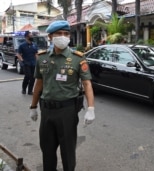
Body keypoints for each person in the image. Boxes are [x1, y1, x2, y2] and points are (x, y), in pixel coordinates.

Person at [29, 20, 95, 171]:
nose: (63, 36)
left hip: (67, 111)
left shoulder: (78, 58)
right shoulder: (42, 58)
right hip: (46, 110)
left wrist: (91, 108)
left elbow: (87, 84)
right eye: (59, 34)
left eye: (66, 34)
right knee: (47, 150)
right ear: (50, 37)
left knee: (67, 151)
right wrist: (33, 106)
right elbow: (38, 83)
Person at [17, 31, 38, 95]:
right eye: (30, 35)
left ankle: (30, 91)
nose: (32, 36)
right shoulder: (22, 45)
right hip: (26, 63)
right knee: (27, 76)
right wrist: (22, 60)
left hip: (33, 63)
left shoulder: (34, 45)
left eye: (32, 35)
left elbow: (36, 54)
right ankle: (24, 89)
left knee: (33, 77)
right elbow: (18, 54)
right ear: (26, 37)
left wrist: (38, 61)